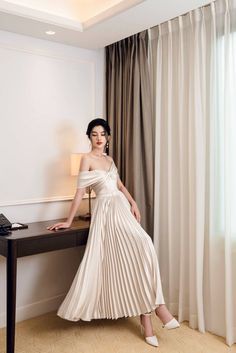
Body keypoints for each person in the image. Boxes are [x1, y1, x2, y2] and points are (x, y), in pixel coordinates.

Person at [47, 118, 180, 347]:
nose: (99, 138)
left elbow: (118, 184)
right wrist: (68, 221)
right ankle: (154, 312)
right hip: (106, 212)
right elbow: (79, 192)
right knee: (136, 255)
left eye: (102, 134)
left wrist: (134, 202)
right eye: (94, 134)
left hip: (121, 208)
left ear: (107, 137)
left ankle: (152, 311)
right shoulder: (86, 159)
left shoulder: (109, 159)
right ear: (89, 137)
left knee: (145, 246)